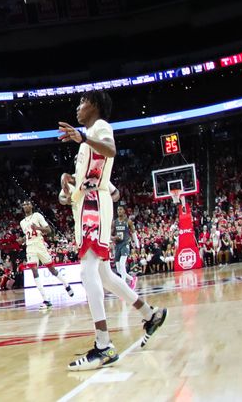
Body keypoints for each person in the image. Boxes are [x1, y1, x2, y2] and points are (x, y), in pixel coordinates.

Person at [58, 91, 167, 371]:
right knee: (104, 274)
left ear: (93, 105)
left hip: (93, 204)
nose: (78, 108)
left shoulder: (99, 127)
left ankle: (103, 346)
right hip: (90, 201)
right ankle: (149, 313)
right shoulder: (87, 137)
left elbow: (110, 150)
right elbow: (98, 174)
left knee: (87, 271)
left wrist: (83, 139)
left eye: (81, 102)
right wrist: (69, 183)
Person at [19, 200, 73, 310]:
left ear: (31, 206)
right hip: (30, 247)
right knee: (34, 270)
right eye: (24, 204)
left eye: (28, 204)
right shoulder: (22, 222)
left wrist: (38, 228)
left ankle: (66, 284)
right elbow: (28, 235)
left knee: (52, 270)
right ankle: (46, 299)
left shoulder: (37, 216)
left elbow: (49, 230)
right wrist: (22, 240)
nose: (26, 206)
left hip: (40, 245)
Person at [113, 205, 140, 289]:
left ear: (124, 211)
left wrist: (137, 245)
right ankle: (132, 279)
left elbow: (134, 233)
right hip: (117, 245)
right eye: (118, 209)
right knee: (118, 269)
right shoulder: (114, 222)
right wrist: (113, 238)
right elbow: (111, 234)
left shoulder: (128, 222)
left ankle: (124, 287)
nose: (119, 211)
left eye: (120, 209)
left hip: (125, 244)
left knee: (122, 264)